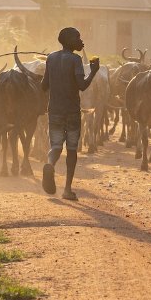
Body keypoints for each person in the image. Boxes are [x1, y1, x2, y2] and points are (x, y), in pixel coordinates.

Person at [40, 27, 99, 200]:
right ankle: (67, 190)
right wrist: (94, 71)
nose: (81, 41)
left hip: (55, 111)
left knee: (56, 146)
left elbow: (44, 86)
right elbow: (81, 85)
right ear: (69, 41)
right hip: (72, 112)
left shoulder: (51, 58)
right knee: (72, 150)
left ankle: (49, 164)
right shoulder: (75, 60)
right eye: (78, 38)